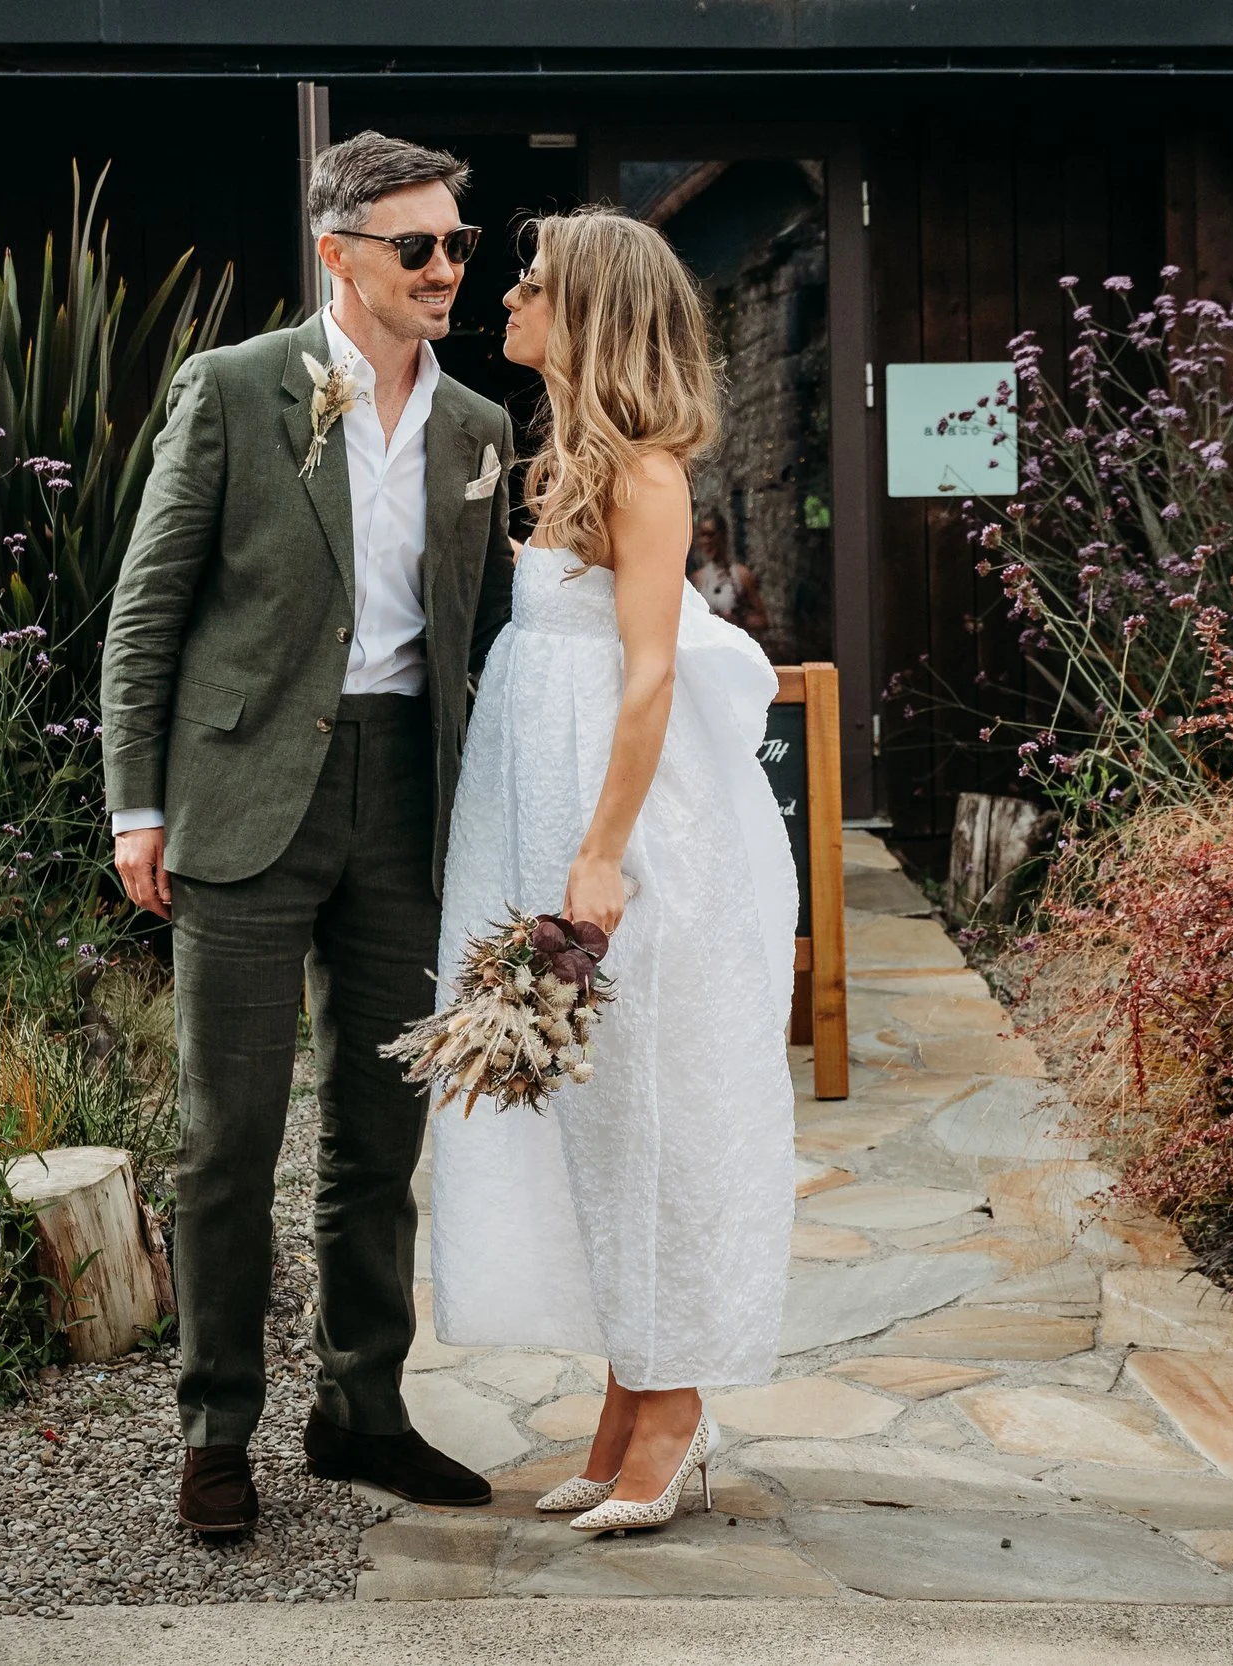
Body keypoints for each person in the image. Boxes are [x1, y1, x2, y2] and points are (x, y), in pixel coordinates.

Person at [99, 131, 517, 1536]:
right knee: (226, 1139)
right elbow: (147, 608)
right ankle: (217, 1429)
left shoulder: (480, 432)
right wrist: (137, 805)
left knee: (379, 1133)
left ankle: (363, 1410)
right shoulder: (230, 393)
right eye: (420, 247)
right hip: (245, 797)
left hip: (406, 797)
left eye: (459, 244)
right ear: (340, 254)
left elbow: (479, 642)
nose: (448, 268)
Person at [426, 208, 800, 1534]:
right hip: (540, 814)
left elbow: (646, 673)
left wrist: (599, 854)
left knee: (656, 1114)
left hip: (627, 832)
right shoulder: (561, 464)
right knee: (593, 1121)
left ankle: (677, 1401)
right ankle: (624, 1392)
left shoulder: (645, 473)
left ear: (589, 313)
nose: (506, 299)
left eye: (530, 284)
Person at [686, 506, 772, 642]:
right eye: (702, 535)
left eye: (711, 534)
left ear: (723, 536)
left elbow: (763, 620)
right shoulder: (697, 579)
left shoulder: (741, 575)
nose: (707, 541)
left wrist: (739, 619)